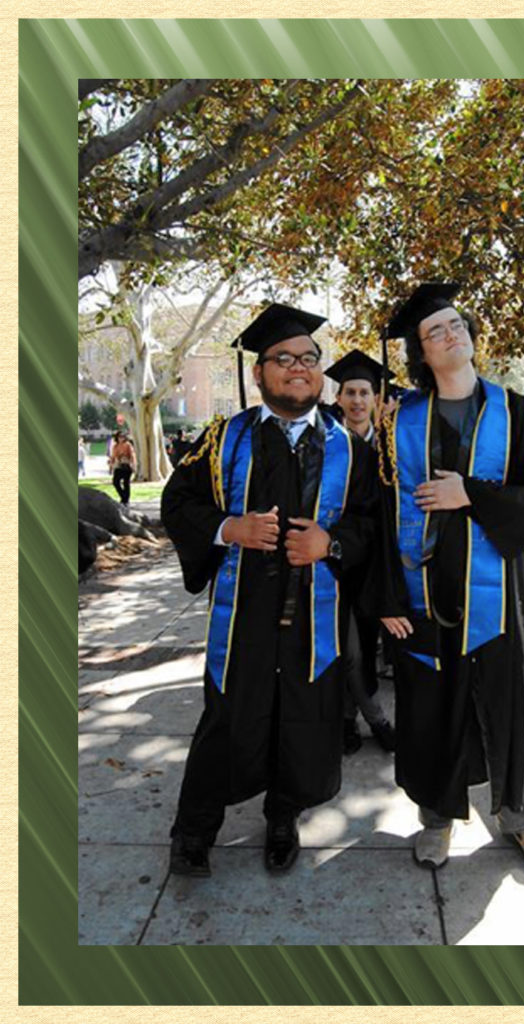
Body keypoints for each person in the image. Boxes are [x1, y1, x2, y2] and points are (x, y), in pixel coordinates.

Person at [161, 303, 377, 877]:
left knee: (303, 720)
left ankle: (283, 817)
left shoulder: (351, 450)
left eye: (309, 358)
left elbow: (369, 523)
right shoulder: (224, 439)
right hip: (246, 607)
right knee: (228, 716)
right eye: (284, 358)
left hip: (314, 612)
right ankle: (193, 830)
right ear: (260, 373)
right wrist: (230, 528)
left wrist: (328, 544)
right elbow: (178, 503)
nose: (299, 368)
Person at [377, 283, 524, 877]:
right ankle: (436, 821)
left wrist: (470, 495)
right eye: (435, 331)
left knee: (508, 708)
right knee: (430, 709)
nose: (450, 334)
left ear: (471, 336)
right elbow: (374, 510)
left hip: (496, 598)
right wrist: (383, 594)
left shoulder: (520, 414)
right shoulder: (396, 424)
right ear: (422, 354)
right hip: (421, 593)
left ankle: (521, 818)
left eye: (456, 324)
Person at [325, 351, 396, 756]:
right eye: (349, 392)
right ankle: (375, 720)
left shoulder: (391, 448)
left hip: (380, 565)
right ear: (339, 398)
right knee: (349, 650)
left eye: (363, 392)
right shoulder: (328, 446)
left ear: (375, 399)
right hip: (339, 564)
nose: (356, 400)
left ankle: (347, 720)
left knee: (367, 648)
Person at [109, 431, 136, 506]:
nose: (121, 438)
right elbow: (113, 457)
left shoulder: (128, 445)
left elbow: (132, 455)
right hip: (119, 466)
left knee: (126, 483)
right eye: (120, 437)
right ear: (117, 438)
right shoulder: (115, 446)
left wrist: (133, 465)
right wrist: (111, 466)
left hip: (127, 466)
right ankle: (123, 497)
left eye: (123, 437)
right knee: (115, 482)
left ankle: (125, 500)